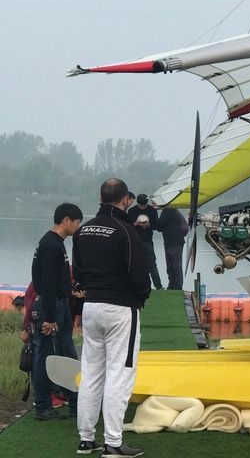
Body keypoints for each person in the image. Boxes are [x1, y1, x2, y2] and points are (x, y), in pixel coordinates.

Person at [73, 178, 150, 457]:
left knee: (91, 372)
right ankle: (113, 443)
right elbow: (139, 274)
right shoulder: (126, 231)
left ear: (100, 197)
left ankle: (86, 439)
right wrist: (141, 298)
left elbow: (78, 272)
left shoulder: (83, 230)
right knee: (120, 374)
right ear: (126, 199)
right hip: (120, 309)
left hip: (91, 306)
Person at [30, 202, 83, 420]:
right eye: (77, 222)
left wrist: (71, 291)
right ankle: (43, 405)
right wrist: (50, 317)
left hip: (61, 303)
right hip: (51, 306)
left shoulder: (56, 243)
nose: (78, 227)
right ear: (66, 220)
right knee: (46, 356)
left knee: (67, 353)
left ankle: (75, 401)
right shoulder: (51, 244)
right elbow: (47, 283)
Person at [128, 194, 163, 290]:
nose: (143, 207)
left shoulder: (152, 210)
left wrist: (148, 225)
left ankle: (158, 286)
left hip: (147, 240)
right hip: (135, 241)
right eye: (141, 205)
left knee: (152, 265)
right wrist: (135, 224)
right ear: (138, 203)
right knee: (136, 264)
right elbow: (128, 226)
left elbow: (156, 226)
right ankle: (137, 285)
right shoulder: (132, 211)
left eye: (144, 205)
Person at [155, 208, 188, 290]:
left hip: (174, 242)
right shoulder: (172, 211)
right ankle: (172, 285)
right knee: (171, 265)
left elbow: (159, 225)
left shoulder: (169, 210)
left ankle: (177, 286)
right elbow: (159, 227)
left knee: (175, 265)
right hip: (171, 242)